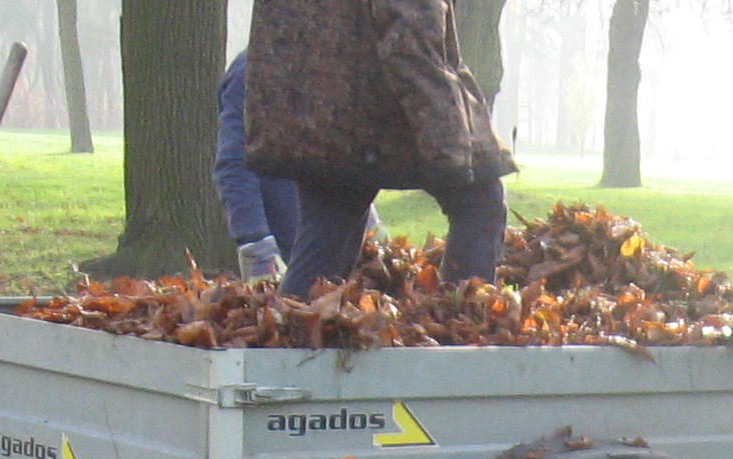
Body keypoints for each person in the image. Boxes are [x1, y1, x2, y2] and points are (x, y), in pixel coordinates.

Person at [244, 0, 516, 302]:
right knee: (480, 200)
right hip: (373, 110)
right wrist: (453, 145)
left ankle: (291, 335)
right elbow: (410, 40)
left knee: (329, 228)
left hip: (313, 109)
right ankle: (464, 329)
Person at [213, 53, 298, 283]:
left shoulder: (322, 61)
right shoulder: (251, 72)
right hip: (284, 245)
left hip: (331, 236)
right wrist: (256, 244)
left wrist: (367, 220)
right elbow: (235, 163)